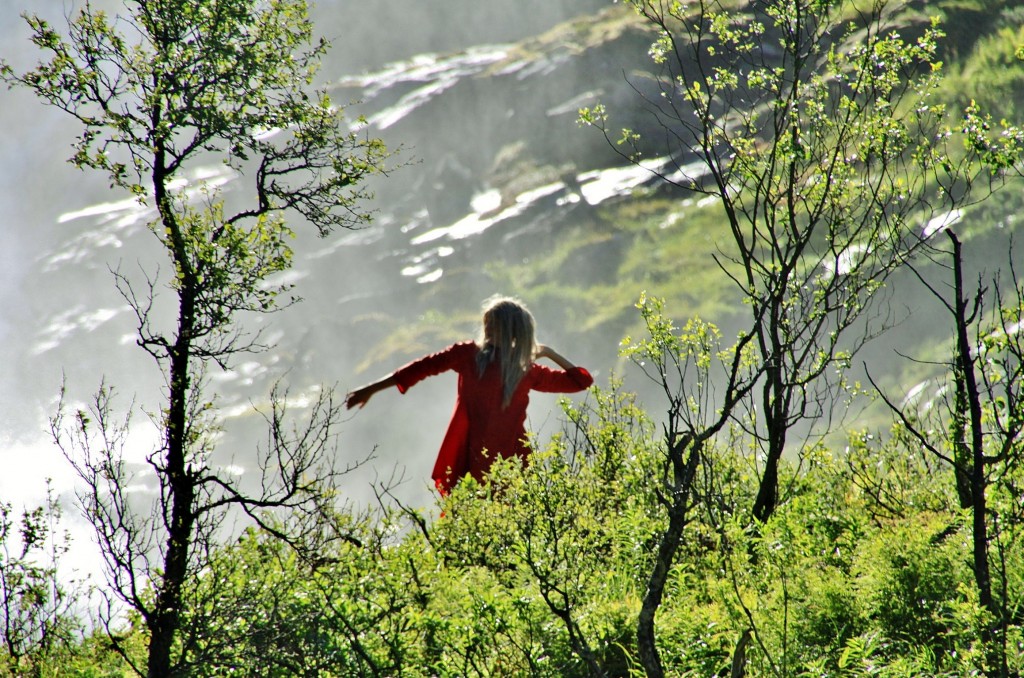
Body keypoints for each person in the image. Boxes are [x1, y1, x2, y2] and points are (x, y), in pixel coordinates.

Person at [345, 296, 593, 494]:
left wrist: (548, 352)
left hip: (512, 459)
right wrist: (371, 389)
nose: (487, 329)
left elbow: (581, 382)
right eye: (487, 323)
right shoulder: (468, 354)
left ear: (510, 330)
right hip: (471, 456)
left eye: (493, 323)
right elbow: (421, 368)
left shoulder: (526, 370)